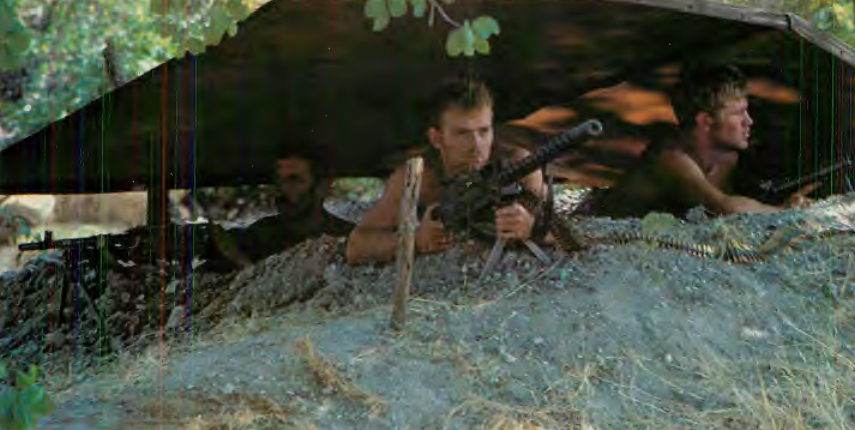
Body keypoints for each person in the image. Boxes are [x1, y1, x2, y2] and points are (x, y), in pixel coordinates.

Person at [345, 78, 550, 265]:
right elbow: (356, 247)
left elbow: (567, 236)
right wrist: (416, 239)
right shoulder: (421, 178)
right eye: (462, 133)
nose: (476, 145)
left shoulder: (518, 166)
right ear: (436, 138)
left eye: (484, 131)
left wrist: (532, 228)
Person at [577, 64, 818, 218]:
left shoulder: (729, 156)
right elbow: (725, 208)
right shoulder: (671, 158)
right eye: (738, 113)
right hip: (605, 228)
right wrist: (782, 211)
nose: (749, 121)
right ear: (706, 121)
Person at [201, 151, 354, 270]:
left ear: (322, 187)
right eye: (279, 180)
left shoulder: (348, 238)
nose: (282, 189)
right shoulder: (261, 234)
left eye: (294, 180)